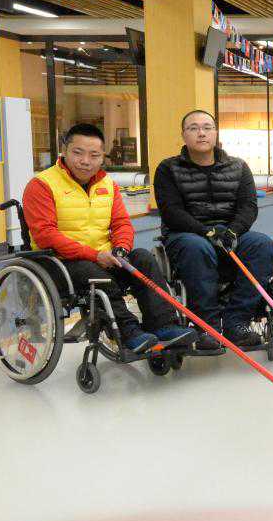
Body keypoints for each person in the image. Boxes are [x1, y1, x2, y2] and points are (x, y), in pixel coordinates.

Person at [22, 124, 195, 353]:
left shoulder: (108, 185)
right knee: (91, 271)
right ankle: (128, 331)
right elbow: (45, 235)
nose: (86, 161)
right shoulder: (41, 185)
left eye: (94, 155)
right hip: (60, 263)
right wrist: (94, 255)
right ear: (64, 151)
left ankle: (164, 325)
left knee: (143, 258)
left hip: (104, 257)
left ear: (102, 156)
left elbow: (121, 223)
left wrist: (121, 249)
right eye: (78, 153)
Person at [153, 110, 273, 350]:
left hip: (231, 234)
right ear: (183, 135)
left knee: (262, 245)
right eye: (193, 128)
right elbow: (171, 212)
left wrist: (232, 231)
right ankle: (206, 326)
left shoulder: (238, 167)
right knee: (197, 247)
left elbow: (248, 207)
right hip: (187, 235)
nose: (201, 133)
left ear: (216, 133)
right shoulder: (168, 169)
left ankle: (237, 322)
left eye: (207, 127)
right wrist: (206, 232)